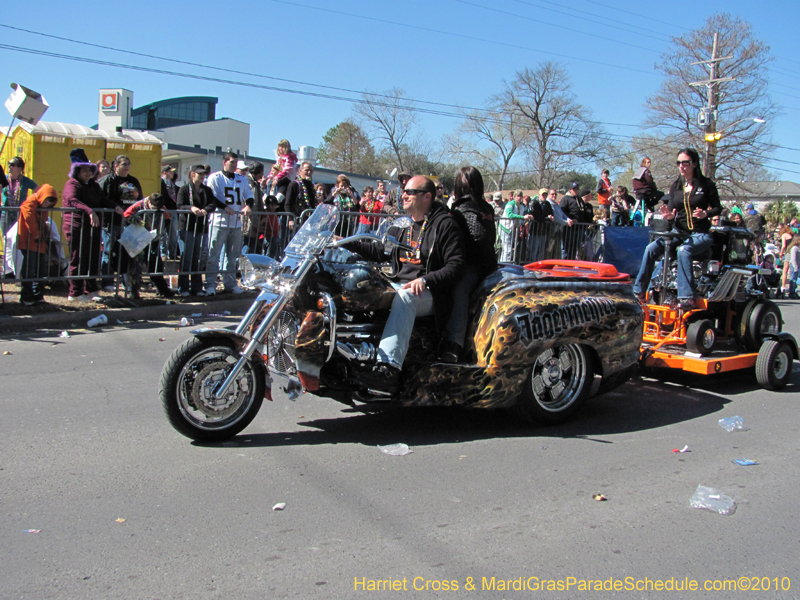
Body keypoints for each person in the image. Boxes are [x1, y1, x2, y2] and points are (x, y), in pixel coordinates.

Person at [342, 175, 466, 389]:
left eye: (410, 192)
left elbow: (456, 266)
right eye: (403, 190)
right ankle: (349, 355)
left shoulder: (444, 224)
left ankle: (387, 369)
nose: (403, 195)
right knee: (360, 288)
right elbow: (380, 251)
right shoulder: (401, 225)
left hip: (432, 293)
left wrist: (425, 280)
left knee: (406, 297)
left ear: (427, 196)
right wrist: (345, 243)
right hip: (398, 283)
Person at [633, 148, 722, 309]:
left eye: (685, 163)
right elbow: (672, 210)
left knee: (684, 250)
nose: (681, 166)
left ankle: (687, 297)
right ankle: (639, 291)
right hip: (679, 232)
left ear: (694, 164)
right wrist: (669, 216)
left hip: (700, 234)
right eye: (679, 163)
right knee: (651, 248)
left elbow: (717, 208)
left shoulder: (706, 184)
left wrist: (706, 213)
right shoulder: (676, 186)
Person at [442, 166, 497, 361]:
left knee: (459, 291)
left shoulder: (463, 207)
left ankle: (453, 344)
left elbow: (479, 236)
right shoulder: (486, 207)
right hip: (488, 263)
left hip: (473, 265)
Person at [62, 149, 123, 302]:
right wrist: (89, 211)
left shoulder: (93, 185)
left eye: (90, 170)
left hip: (93, 227)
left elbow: (103, 200)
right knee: (78, 258)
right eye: (84, 170)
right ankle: (75, 292)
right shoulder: (72, 184)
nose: (88, 173)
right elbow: (72, 200)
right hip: (77, 226)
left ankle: (91, 289)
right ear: (77, 171)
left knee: (93, 258)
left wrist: (115, 206)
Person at [205, 152, 254, 295]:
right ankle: (210, 284)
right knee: (213, 254)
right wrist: (225, 207)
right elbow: (211, 197)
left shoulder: (242, 179)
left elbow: (249, 196)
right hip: (219, 221)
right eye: (231, 162)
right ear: (224, 162)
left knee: (232, 256)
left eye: (235, 162)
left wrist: (248, 206)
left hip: (236, 223)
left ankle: (230, 283)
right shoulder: (215, 178)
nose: (234, 165)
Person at [176, 165, 221, 297]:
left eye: (203, 174)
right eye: (199, 174)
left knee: (198, 258)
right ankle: (183, 287)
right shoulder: (184, 189)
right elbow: (179, 205)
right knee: (187, 257)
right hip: (187, 227)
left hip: (201, 228)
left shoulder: (206, 190)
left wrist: (206, 210)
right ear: (192, 174)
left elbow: (213, 203)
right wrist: (191, 208)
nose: (202, 176)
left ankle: (197, 287)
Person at [99, 155, 142, 290]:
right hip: (112, 221)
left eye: (128, 164)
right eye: (124, 164)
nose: (127, 167)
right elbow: (101, 199)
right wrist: (113, 207)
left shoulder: (133, 181)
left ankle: (127, 282)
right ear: (116, 166)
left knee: (128, 253)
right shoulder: (107, 180)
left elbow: (139, 200)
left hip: (129, 223)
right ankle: (108, 282)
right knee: (109, 251)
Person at [122, 193, 175, 298]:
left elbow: (168, 216)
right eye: (154, 207)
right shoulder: (138, 206)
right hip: (138, 240)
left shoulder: (161, 207)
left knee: (156, 266)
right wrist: (137, 221)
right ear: (149, 203)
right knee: (135, 267)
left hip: (152, 239)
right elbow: (126, 215)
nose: (156, 210)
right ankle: (133, 292)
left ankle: (163, 290)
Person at [17, 184, 59, 305]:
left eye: (50, 203)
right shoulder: (31, 201)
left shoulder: (40, 205)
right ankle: (27, 296)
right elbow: (29, 216)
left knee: (41, 270)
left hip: (39, 242)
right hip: (29, 241)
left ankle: (37, 295)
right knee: (30, 270)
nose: (47, 205)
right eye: (46, 201)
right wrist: (36, 233)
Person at [1, 156, 38, 237]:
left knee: (18, 239)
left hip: (19, 214)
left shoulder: (25, 181)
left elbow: (39, 191)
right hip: (5, 214)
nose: (9, 166)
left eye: (12, 164)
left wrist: (32, 202)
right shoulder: (4, 179)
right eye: (9, 164)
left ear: (20, 168)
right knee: (6, 239)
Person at [498, 190, 531, 263]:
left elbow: (527, 212)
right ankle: (504, 266)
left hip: (513, 229)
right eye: (517, 196)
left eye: (520, 196)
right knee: (508, 250)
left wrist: (530, 216)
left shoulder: (523, 205)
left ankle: (503, 264)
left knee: (508, 250)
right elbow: (510, 215)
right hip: (505, 228)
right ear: (514, 197)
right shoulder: (510, 204)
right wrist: (523, 217)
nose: (519, 198)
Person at [263, 139, 297, 207]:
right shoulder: (279, 158)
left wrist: (277, 178)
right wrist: (270, 177)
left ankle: (276, 202)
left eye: (283, 147)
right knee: (270, 184)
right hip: (280, 178)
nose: (280, 148)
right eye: (280, 147)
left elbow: (287, 169)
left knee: (281, 191)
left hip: (287, 179)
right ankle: (268, 199)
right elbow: (276, 168)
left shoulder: (289, 158)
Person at [542, 188, 573, 259]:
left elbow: (562, 214)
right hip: (551, 230)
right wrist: (565, 223)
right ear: (548, 195)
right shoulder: (548, 203)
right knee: (550, 248)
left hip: (558, 230)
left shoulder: (556, 204)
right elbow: (555, 217)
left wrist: (568, 219)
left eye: (555, 194)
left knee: (557, 248)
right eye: (552, 194)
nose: (554, 195)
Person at [243, 161, 266, 255]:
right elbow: (253, 204)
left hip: (253, 221)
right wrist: (257, 223)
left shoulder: (255, 183)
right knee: (248, 247)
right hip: (250, 222)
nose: (262, 175)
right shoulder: (250, 184)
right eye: (261, 172)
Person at [632, 157, 663, 225]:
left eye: (650, 162)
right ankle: (649, 205)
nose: (649, 164)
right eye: (648, 162)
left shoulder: (638, 171)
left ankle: (648, 205)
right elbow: (650, 181)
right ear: (644, 163)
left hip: (638, 192)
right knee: (661, 194)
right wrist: (655, 188)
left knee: (647, 198)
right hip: (645, 191)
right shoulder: (646, 171)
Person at [159, 165, 180, 259]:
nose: (173, 173)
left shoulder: (173, 184)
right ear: (165, 172)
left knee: (173, 233)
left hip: (173, 210)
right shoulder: (160, 183)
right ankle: (163, 253)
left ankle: (173, 253)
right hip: (163, 209)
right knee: (162, 232)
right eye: (170, 171)